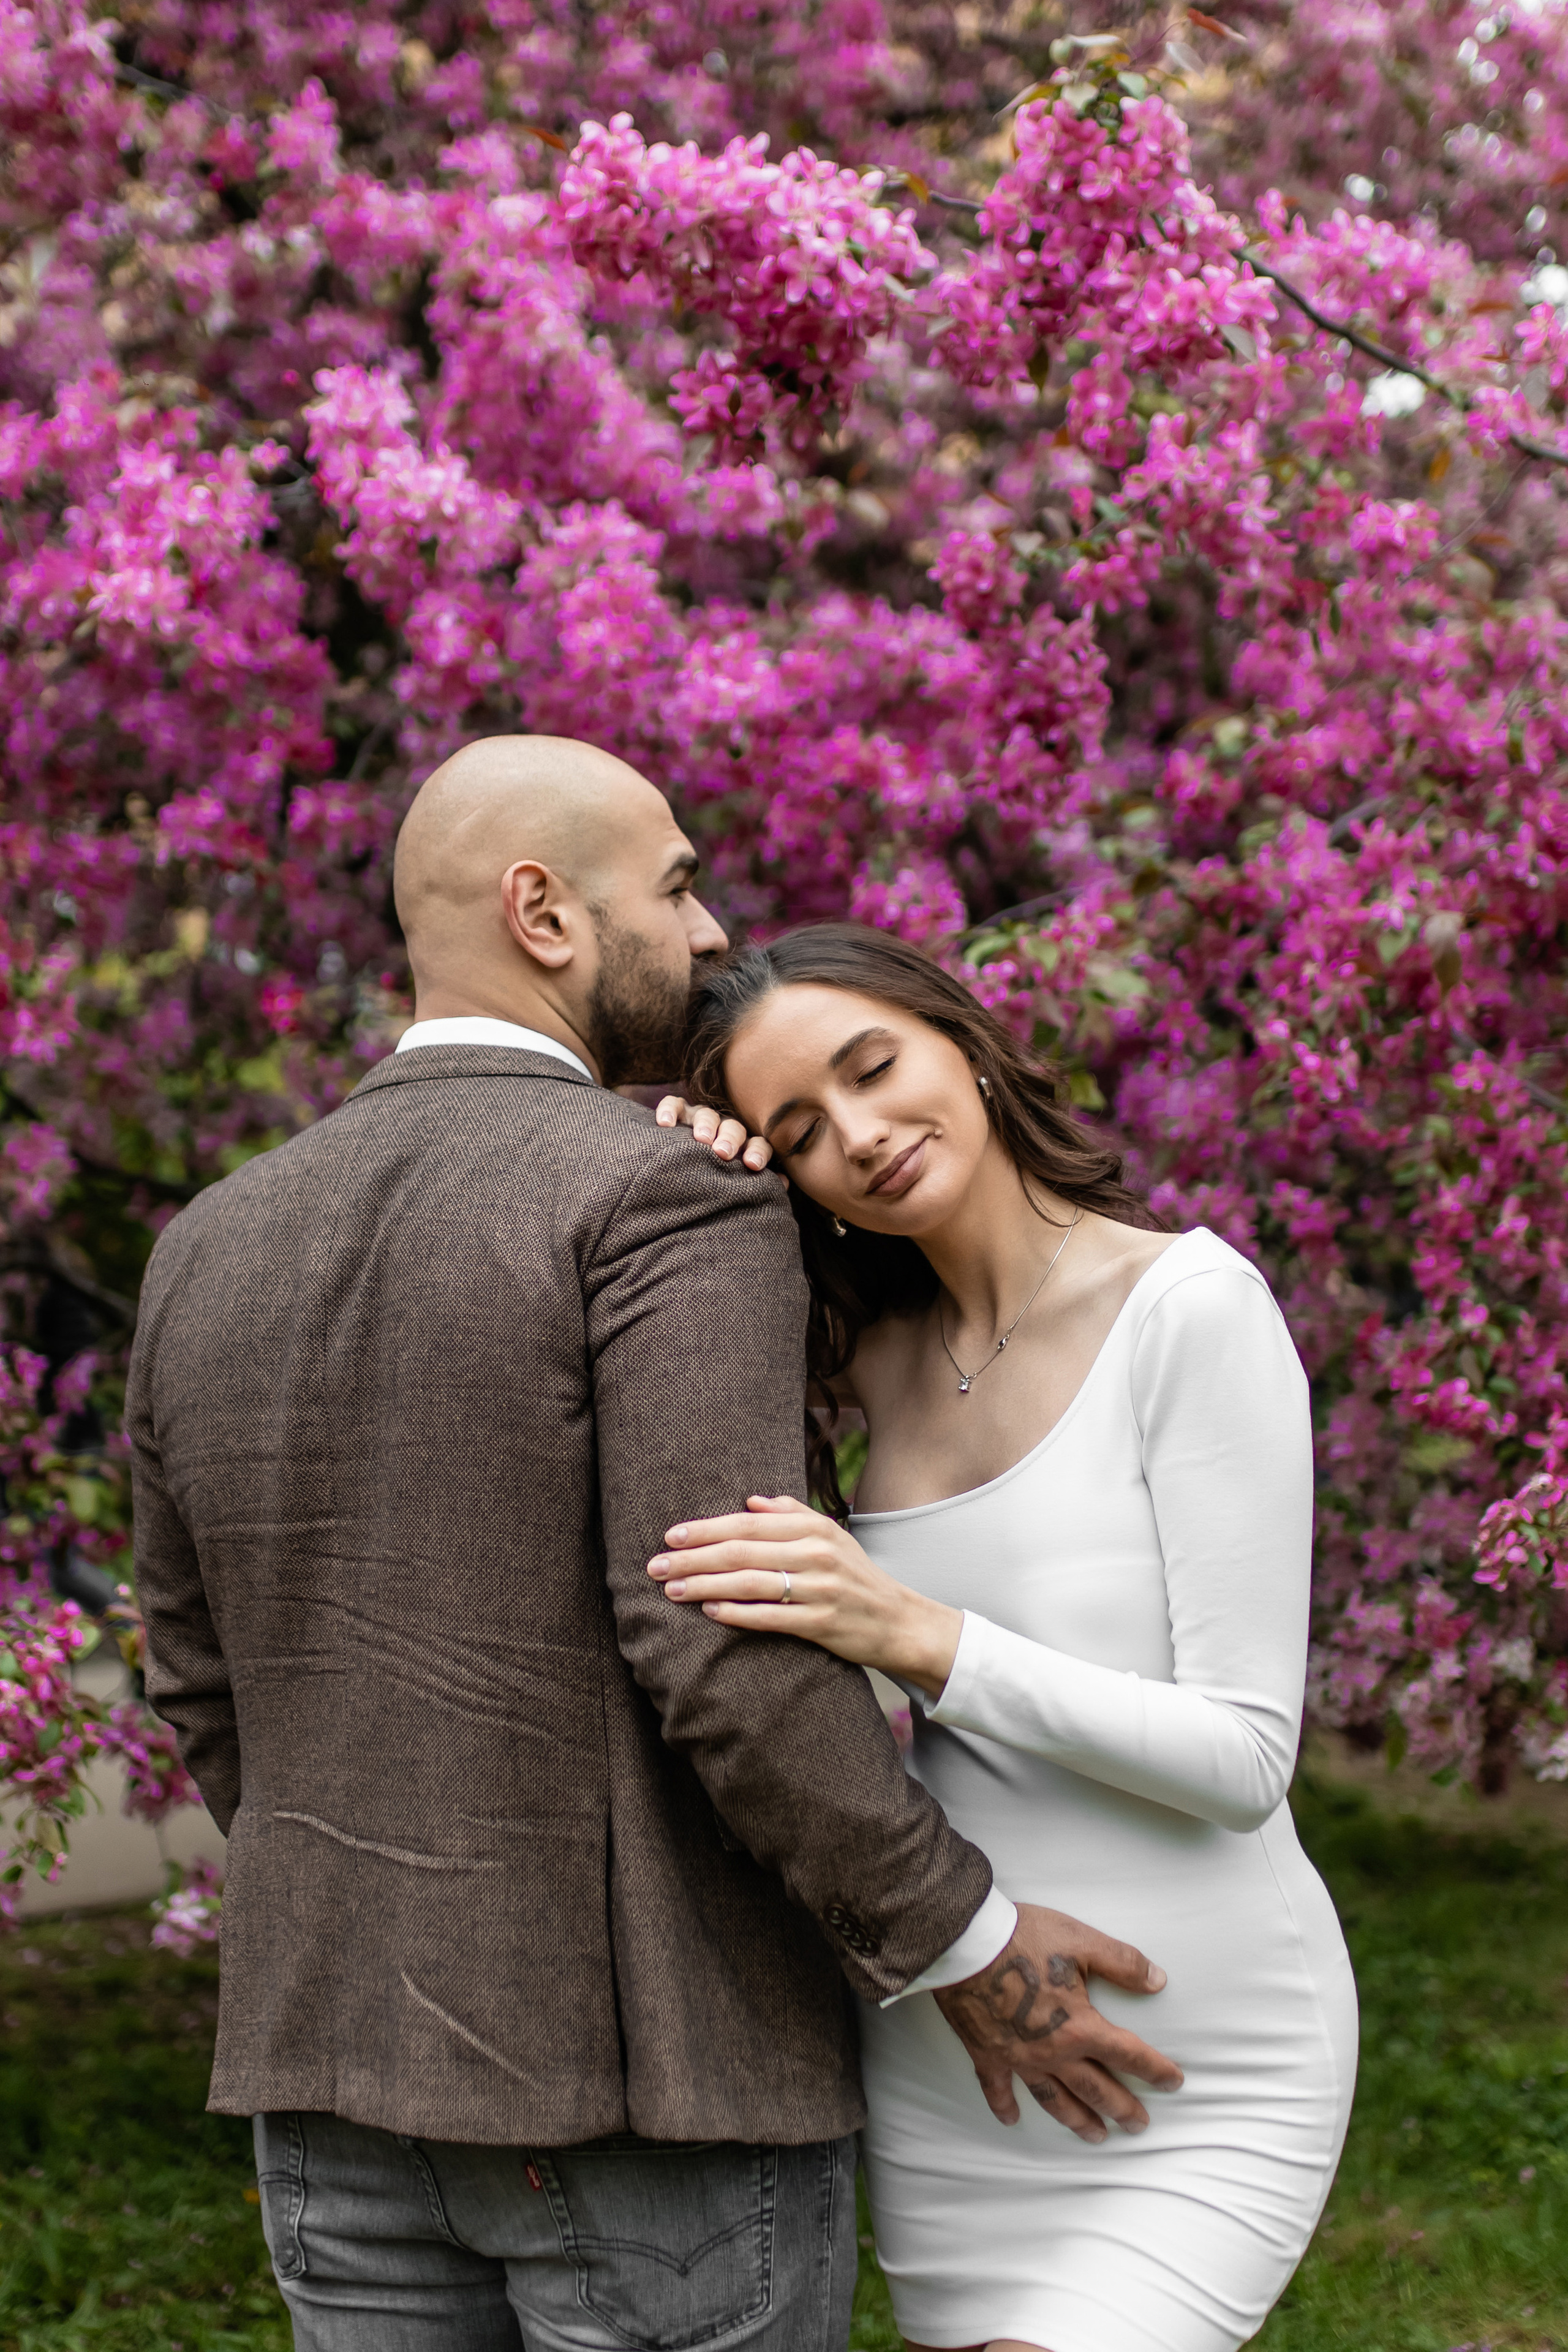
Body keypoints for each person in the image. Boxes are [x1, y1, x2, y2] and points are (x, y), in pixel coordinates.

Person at [126, 739, 1180, 2352]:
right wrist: (962, 1943)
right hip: (646, 2101)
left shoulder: (206, 1243)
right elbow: (725, 1641)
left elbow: (200, 1677)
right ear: (544, 913)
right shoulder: (665, 1201)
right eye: (676, 886)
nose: (706, 934)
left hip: (328, 2087)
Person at [652, 922, 1359, 2352]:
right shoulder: (861, 1357)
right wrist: (675, 1157)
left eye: (871, 1068)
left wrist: (916, 1632)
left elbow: (1242, 1760)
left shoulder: (1186, 1310)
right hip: (954, 2050)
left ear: (962, 1040)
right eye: (798, 1130)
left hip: (1200, 2057)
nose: (857, 1136)